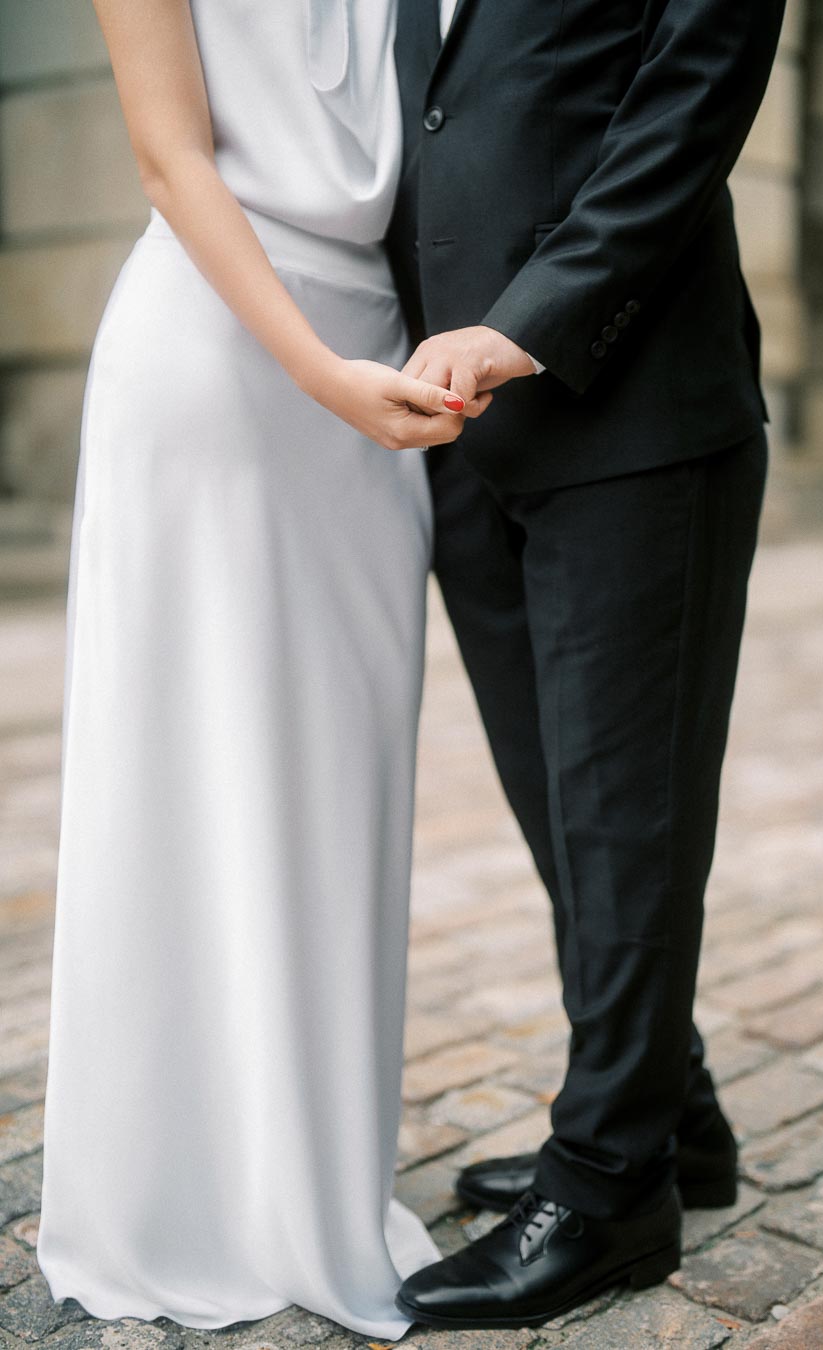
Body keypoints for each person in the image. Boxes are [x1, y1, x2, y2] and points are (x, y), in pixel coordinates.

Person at [35, 0, 482, 1340]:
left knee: (339, 799)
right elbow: (170, 159)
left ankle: (318, 1186)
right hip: (232, 360)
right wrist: (317, 372)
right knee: (182, 795)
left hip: (377, 380)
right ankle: (177, 1199)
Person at [387, 0, 787, 1330]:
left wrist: (534, 322)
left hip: (635, 412)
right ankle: (676, 1113)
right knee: (566, 810)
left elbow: (693, 96)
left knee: (627, 816)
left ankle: (614, 1181)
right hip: (458, 437)